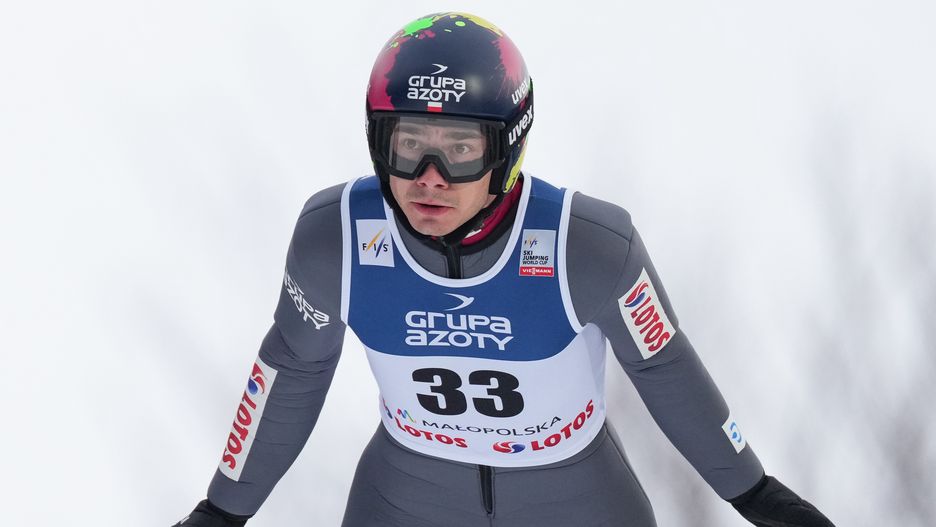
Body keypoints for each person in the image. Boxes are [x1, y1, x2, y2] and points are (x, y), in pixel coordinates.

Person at [173, 12, 834, 527]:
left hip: (579, 503)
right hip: (405, 501)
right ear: (378, 141)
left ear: (506, 149)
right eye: (408, 144)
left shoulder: (586, 245)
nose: (429, 178)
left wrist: (755, 492)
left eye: (460, 149)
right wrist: (222, 511)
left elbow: (664, 368)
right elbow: (292, 371)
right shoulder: (336, 239)